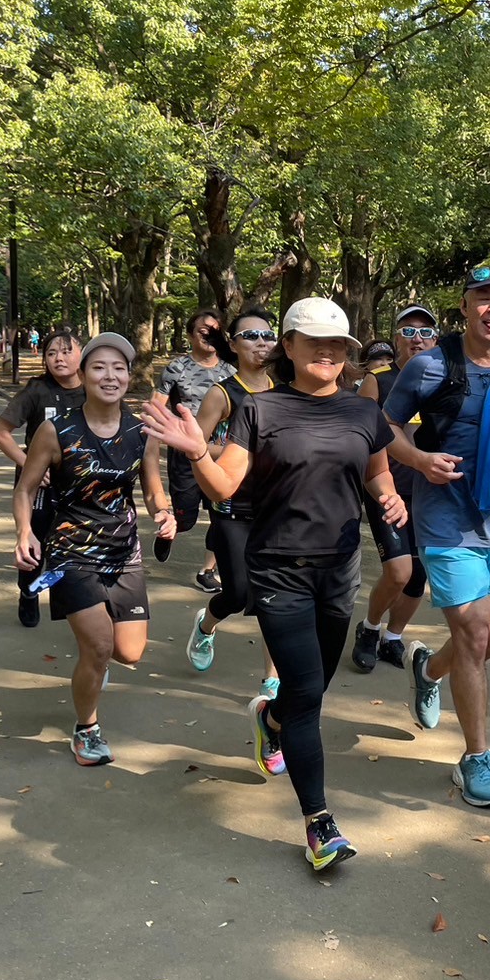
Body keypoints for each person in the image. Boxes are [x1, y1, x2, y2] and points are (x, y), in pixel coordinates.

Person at [144, 297, 406, 872]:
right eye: (316, 342)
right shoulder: (259, 411)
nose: (329, 354)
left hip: (338, 571)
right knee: (308, 693)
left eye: (338, 345)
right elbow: (224, 486)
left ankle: (271, 719)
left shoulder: (363, 413)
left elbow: (377, 471)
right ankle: (319, 822)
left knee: (309, 691)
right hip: (278, 570)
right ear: (288, 346)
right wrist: (192, 453)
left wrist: (389, 498)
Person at [381, 265, 490, 809]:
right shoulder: (429, 366)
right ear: (464, 306)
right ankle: (476, 758)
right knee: (476, 636)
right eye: (482, 297)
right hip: (445, 520)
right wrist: (418, 459)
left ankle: (428, 669)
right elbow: (384, 428)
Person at [13, 332, 176, 767]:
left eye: (119, 368)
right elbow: (25, 489)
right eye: (99, 367)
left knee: (130, 653)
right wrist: (26, 532)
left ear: (129, 377)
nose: (110, 375)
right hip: (70, 550)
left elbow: (153, 487)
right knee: (101, 648)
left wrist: (165, 513)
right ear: (82, 375)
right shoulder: (56, 430)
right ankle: (87, 729)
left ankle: (91, 664)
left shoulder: (142, 431)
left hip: (123, 552)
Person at [182, 308, 280, 702]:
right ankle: (206, 625)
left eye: (268, 335)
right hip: (231, 510)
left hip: (276, 510)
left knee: (277, 599)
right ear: (234, 345)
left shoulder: (283, 389)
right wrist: (241, 451)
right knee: (237, 594)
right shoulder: (222, 393)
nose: (261, 343)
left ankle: (272, 682)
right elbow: (197, 444)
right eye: (251, 336)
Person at [349, 305, 439, 672]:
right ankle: (369, 628)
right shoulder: (379, 380)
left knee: (419, 577)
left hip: (434, 496)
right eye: (408, 332)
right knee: (399, 571)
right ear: (396, 339)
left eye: (425, 332)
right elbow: (357, 435)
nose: (417, 339)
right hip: (388, 490)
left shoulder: (445, 381)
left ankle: (393, 637)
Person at [0, 328, 86, 627]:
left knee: (76, 542)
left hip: (78, 481)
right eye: (51, 353)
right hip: (39, 485)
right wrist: (30, 464)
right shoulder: (36, 390)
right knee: (35, 540)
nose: (59, 358)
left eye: (66, 351)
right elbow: (0, 432)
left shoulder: (94, 390)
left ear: (81, 353)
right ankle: (29, 594)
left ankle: (79, 603)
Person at [151, 308, 235, 590]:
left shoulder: (230, 370)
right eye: (203, 331)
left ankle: (207, 570)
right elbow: (156, 406)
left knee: (221, 514)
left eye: (215, 331)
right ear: (190, 335)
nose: (210, 336)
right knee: (186, 516)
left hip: (219, 452)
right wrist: (153, 437)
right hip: (184, 452)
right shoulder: (177, 368)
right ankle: (172, 527)